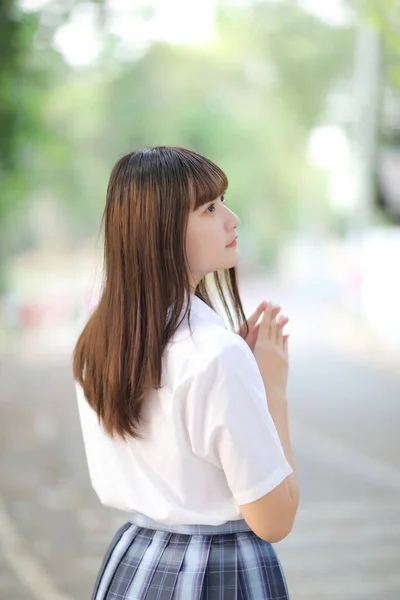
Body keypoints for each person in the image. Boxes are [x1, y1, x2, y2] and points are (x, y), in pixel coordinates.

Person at [73, 146, 299, 600]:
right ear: (162, 231)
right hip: (221, 571)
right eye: (211, 208)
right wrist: (271, 389)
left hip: (133, 564)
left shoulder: (98, 342)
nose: (232, 219)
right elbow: (274, 520)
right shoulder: (216, 355)